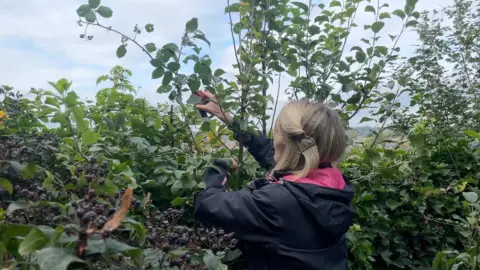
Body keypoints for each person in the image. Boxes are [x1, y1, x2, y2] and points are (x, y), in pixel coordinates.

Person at [193, 91, 354, 270]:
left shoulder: (275, 203)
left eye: (276, 131)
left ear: (284, 143)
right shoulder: (335, 185)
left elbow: (207, 205)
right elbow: (267, 150)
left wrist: (218, 170)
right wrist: (225, 115)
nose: (273, 139)